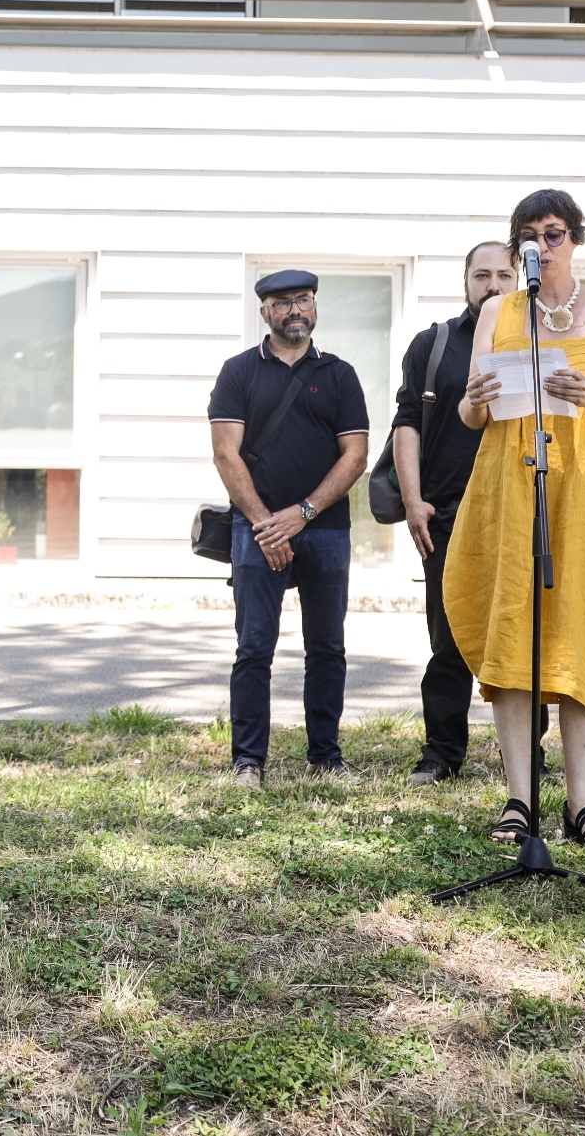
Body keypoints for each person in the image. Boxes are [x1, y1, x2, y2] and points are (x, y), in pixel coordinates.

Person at [447, 189, 585, 853]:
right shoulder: (498, 311)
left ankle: (581, 804)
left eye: (554, 232)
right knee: (512, 639)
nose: (543, 244)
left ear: (575, 239)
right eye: (529, 236)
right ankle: (519, 798)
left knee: (580, 634)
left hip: (584, 495)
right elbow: (472, 415)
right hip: (510, 491)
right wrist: (472, 399)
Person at [207, 269, 370, 788]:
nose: (295, 309)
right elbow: (225, 454)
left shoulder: (340, 375)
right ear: (265, 312)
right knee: (254, 648)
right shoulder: (238, 372)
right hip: (256, 531)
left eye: (303, 299)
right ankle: (247, 762)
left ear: (315, 306)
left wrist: (302, 514)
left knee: (327, 648)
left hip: (325, 528)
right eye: (283, 302)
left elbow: (356, 456)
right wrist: (266, 524)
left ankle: (325, 757)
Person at [391, 241, 515, 786]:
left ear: (519, 279)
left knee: (519, 635)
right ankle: (442, 752)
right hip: (448, 514)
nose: (493, 285)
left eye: (504, 274)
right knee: (448, 641)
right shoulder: (434, 344)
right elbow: (407, 423)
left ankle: (523, 755)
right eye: (482, 275)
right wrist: (412, 500)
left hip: (520, 512)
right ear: (466, 280)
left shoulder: (540, 341)